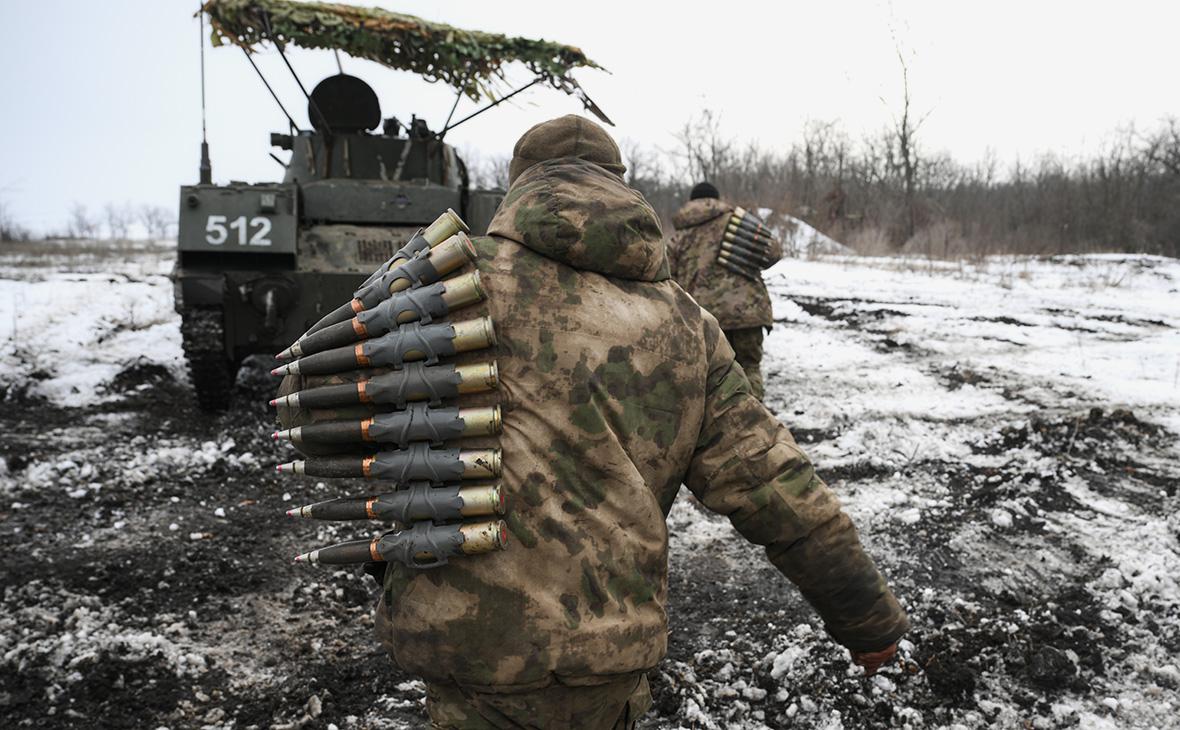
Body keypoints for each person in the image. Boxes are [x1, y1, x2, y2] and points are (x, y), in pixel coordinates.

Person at [284, 115, 908, 729]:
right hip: (606, 647)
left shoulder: (452, 280)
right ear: (620, 185)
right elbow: (777, 488)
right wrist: (865, 619)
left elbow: (311, 390)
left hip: (467, 638)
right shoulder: (686, 326)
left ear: (518, 188)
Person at [666, 183, 775, 400]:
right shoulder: (737, 221)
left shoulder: (680, 235)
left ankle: (715, 427)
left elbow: (669, 279)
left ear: (691, 201)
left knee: (709, 375)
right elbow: (772, 252)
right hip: (748, 312)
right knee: (749, 368)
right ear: (717, 198)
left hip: (703, 318)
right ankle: (753, 423)